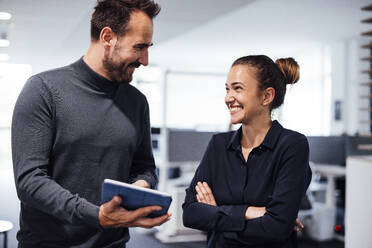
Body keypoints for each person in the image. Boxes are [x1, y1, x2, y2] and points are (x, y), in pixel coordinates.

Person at [11, 0, 171, 247]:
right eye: (139, 47)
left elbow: (145, 167)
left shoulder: (137, 102)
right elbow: (30, 180)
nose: (145, 60)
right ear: (108, 37)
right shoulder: (43, 90)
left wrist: (142, 185)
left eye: (148, 48)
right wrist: (95, 215)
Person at [182, 55, 312, 248]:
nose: (228, 98)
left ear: (266, 96)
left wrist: (217, 215)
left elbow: (276, 228)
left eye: (238, 88)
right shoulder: (219, 145)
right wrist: (249, 212)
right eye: (227, 89)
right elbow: (191, 214)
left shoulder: (292, 145)